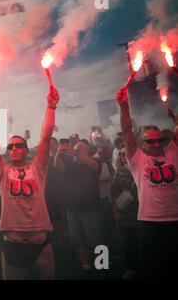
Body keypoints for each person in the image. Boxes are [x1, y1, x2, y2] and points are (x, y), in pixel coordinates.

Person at [0, 85, 60, 280]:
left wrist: (51, 108)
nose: (14, 148)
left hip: (41, 241)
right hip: (14, 242)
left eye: (19, 145)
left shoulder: (37, 168)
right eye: (11, 146)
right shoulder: (2, 171)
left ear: (26, 149)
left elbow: (46, 138)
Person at [116, 86, 178, 279]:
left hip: (176, 220)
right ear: (141, 143)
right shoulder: (136, 157)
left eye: (159, 140)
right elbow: (127, 129)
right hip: (150, 222)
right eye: (151, 142)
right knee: (151, 270)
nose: (157, 144)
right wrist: (124, 105)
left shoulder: (172, 151)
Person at [54, 139, 103, 279]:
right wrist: (58, 154)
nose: (77, 152)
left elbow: (91, 163)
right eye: (76, 150)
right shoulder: (71, 165)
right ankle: (86, 267)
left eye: (80, 150)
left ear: (87, 151)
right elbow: (58, 166)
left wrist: (73, 151)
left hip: (91, 208)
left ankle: (102, 266)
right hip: (73, 209)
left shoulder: (95, 163)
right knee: (78, 240)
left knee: (96, 240)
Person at [110, 145, 139, 280]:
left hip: (144, 212)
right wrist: (116, 210)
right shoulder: (120, 173)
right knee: (130, 242)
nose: (123, 157)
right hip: (127, 214)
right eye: (121, 155)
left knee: (145, 242)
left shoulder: (142, 169)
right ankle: (132, 267)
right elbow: (113, 193)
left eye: (126, 154)